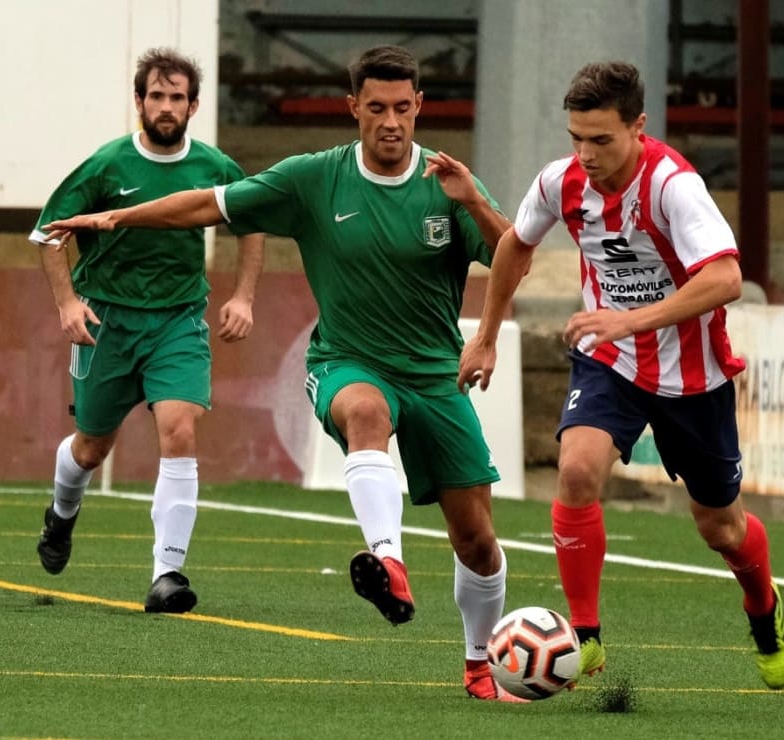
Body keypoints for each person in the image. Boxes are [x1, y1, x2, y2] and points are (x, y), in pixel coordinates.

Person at [44, 45, 522, 701]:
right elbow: (204, 205)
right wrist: (118, 216)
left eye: (403, 109)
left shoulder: (446, 181)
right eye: (376, 108)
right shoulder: (311, 179)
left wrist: (474, 205)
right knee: (363, 413)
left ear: (419, 108)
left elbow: (511, 259)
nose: (391, 122)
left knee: (477, 541)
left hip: (436, 376)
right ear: (353, 108)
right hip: (348, 361)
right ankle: (387, 557)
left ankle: (477, 665)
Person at [458, 61, 784, 690]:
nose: (585, 155)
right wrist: (484, 337)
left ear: (639, 126)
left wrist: (631, 319)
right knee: (577, 469)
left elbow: (726, 280)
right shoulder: (562, 181)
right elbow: (514, 245)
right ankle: (584, 640)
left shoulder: (673, 187)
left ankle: (764, 609)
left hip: (692, 376)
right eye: (576, 138)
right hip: (610, 361)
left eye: (601, 140)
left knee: (720, 528)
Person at [29, 48, 265, 614]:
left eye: (176, 97)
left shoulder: (216, 168)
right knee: (91, 448)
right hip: (106, 321)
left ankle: (168, 573)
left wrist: (242, 295)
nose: (165, 107)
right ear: (138, 102)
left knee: (180, 430)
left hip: (179, 320)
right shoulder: (107, 165)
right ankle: (61, 515)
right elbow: (47, 233)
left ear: (194, 105)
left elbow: (251, 223)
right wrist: (66, 303)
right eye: (155, 96)